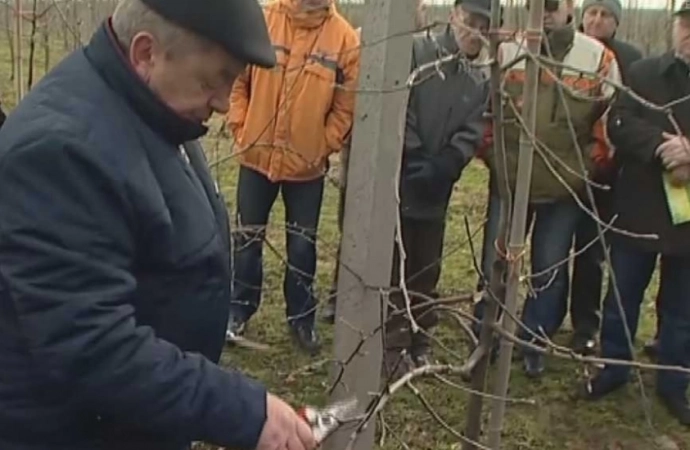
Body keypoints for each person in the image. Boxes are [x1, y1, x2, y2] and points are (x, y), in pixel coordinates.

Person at [0, 0, 317, 449]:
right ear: (147, 53)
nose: (225, 103)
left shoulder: (149, 106)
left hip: (137, 422)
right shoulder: (60, 151)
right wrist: (240, 410)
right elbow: (92, 347)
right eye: (214, 80)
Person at [476, 0, 621, 378]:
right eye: (535, 4)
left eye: (553, 5)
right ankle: (485, 334)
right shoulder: (504, 49)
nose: (544, 11)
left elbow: (611, 123)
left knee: (549, 269)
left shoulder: (596, 58)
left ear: (570, 8)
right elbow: (481, 109)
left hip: (563, 190)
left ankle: (533, 342)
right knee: (496, 263)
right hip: (509, 186)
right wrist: (494, 156)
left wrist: (584, 168)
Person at [226, 0, 360, 356]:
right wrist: (241, 127)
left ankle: (301, 318)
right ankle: (238, 310)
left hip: (307, 168)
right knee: (246, 238)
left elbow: (346, 107)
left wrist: (322, 145)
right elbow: (238, 79)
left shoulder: (344, 39)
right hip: (256, 158)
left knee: (302, 245)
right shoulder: (263, 19)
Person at [580, 1, 690, 427]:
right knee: (622, 296)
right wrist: (663, 146)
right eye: (684, 24)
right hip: (639, 209)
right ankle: (613, 368)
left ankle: (674, 382)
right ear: (674, 27)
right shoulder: (643, 73)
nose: (688, 34)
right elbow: (619, 124)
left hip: (686, 221)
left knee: (682, 307)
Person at [383, 0, 490, 377]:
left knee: (427, 264)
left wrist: (448, 163)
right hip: (404, 176)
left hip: (438, 185)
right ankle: (393, 342)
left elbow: (474, 127)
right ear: (455, 15)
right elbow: (401, 104)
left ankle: (421, 337)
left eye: (483, 25)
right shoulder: (418, 52)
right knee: (397, 261)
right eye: (470, 20)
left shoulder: (479, 80)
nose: (475, 30)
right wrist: (415, 156)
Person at [568, 0, 643, 355]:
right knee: (548, 250)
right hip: (564, 165)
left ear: (616, 21)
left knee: (590, 250)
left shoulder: (631, 60)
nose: (596, 20)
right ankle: (540, 318)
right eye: (591, 13)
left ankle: (585, 323)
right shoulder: (569, 50)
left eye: (605, 15)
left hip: (606, 173)